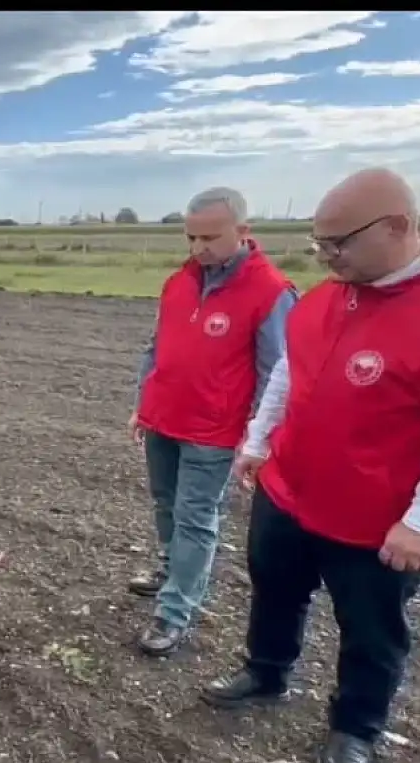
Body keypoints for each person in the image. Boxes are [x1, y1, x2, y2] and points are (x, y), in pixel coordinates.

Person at [202, 168, 420, 763]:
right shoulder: (324, 296)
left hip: (377, 519)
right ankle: (266, 671)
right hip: (289, 491)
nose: (327, 256)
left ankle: (356, 728)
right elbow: (289, 370)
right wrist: (258, 443)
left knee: (371, 629)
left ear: (397, 226)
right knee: (274, 591)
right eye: (320, 244)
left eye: (339, 243)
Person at [127, 186, 296, 657]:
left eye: (210, 237)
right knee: (165, 505)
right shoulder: (179, 282)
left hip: (213, 434)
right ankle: (169, 567)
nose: (198, 248)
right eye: (191, 237)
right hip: (164, 418)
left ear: (243, 232)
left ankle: (175, 610)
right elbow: (156, 348)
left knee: (196, 518)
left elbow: (277, 375)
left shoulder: (270, 292)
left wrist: (256, 439)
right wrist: (144, 404)